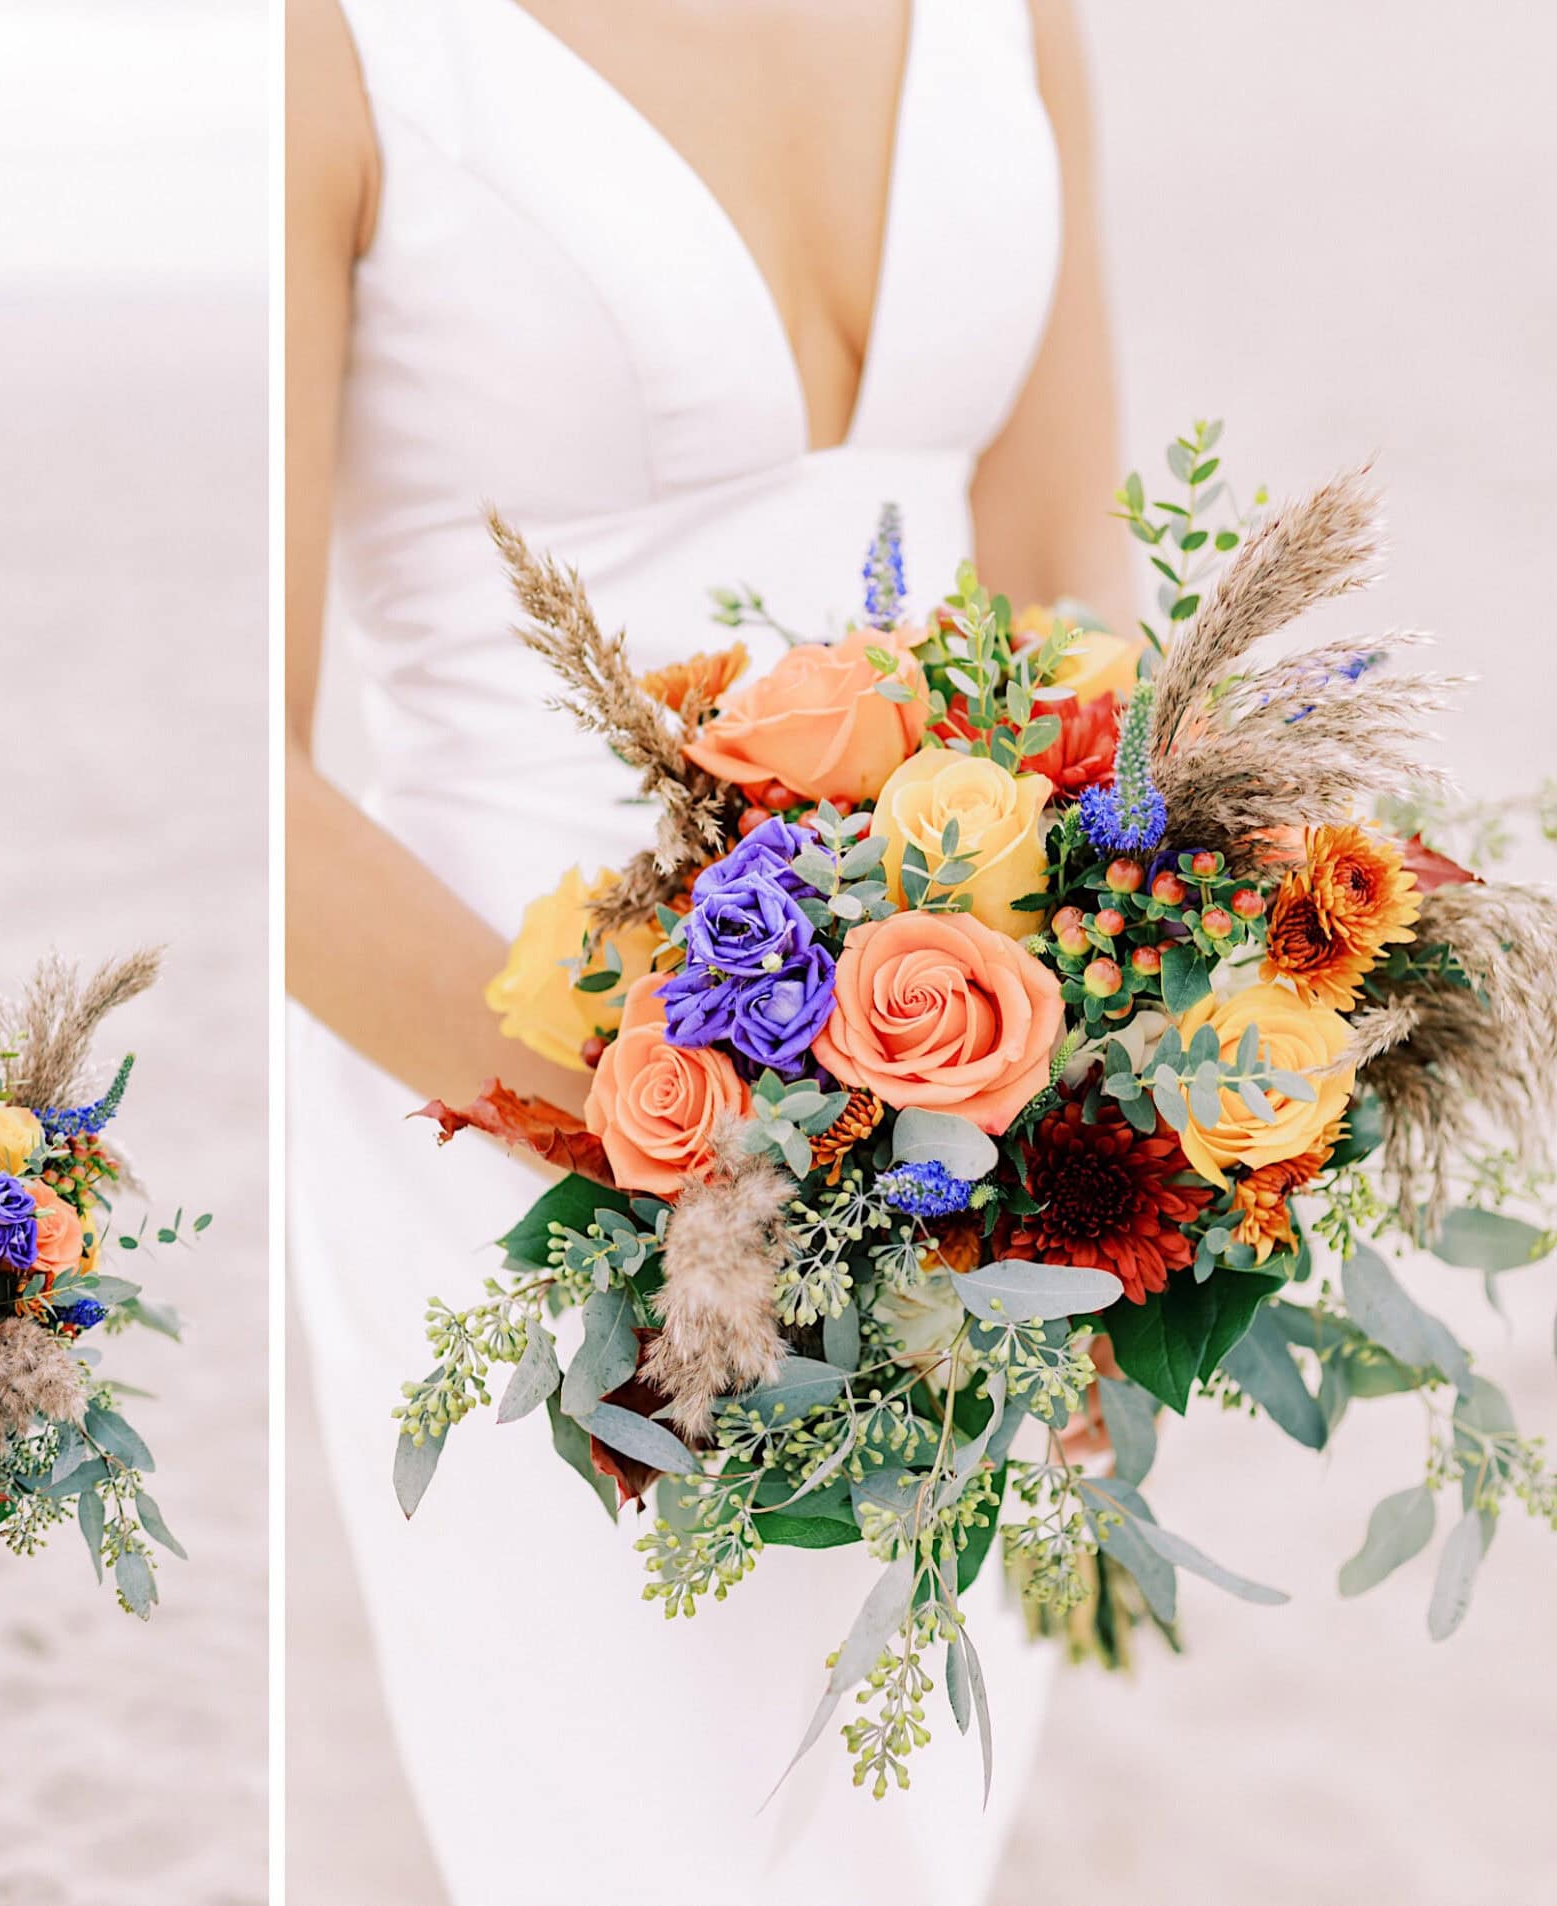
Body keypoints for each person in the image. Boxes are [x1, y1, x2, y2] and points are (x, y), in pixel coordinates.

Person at [285, 2, 1128, 1898]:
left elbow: (1066, 557)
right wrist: (692, 1154)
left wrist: (1108, 1115)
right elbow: (249, 783)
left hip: (956, 1127)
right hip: (521, 1140)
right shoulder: (334, 43)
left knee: (901, 1839)